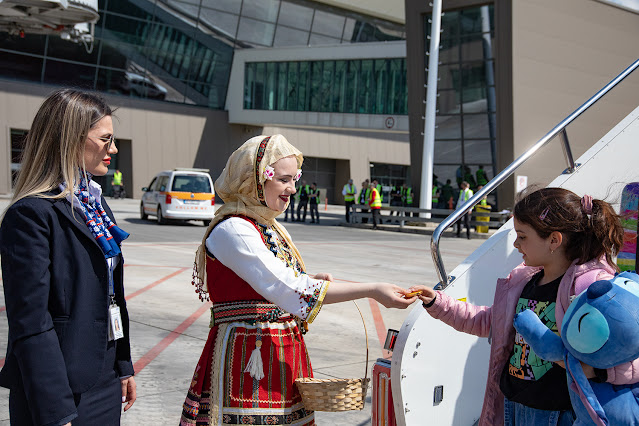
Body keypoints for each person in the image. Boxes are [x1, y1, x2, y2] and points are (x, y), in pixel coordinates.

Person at [180, 135, 416, 425]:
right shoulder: (233, 229)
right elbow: (287, 287)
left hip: (280, 348)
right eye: (283, 180)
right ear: (254, 180)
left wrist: (309, 278)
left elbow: (280, 280)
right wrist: (371, 290)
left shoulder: (268, 225)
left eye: (295, 179)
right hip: (247, 357)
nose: (293, 189)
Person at [408, 187, 639, 426]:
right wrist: (437, 303)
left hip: (556, 413)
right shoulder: (525, 281)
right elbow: (490, 321)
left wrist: (599, 373)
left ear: (554, 240)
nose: (516, 244)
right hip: (513, 403)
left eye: (523, 236)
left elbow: (627, 349)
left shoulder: (589, 287)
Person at [0, 89, 136, 425]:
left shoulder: (95, 206)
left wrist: (122, 364)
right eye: (106, 140)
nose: (113, 150)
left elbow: (110, 294)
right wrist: (56, 411)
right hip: (57, 389)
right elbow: (31, 322)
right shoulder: (31, 215)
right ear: (70, 140)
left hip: (103, 378)